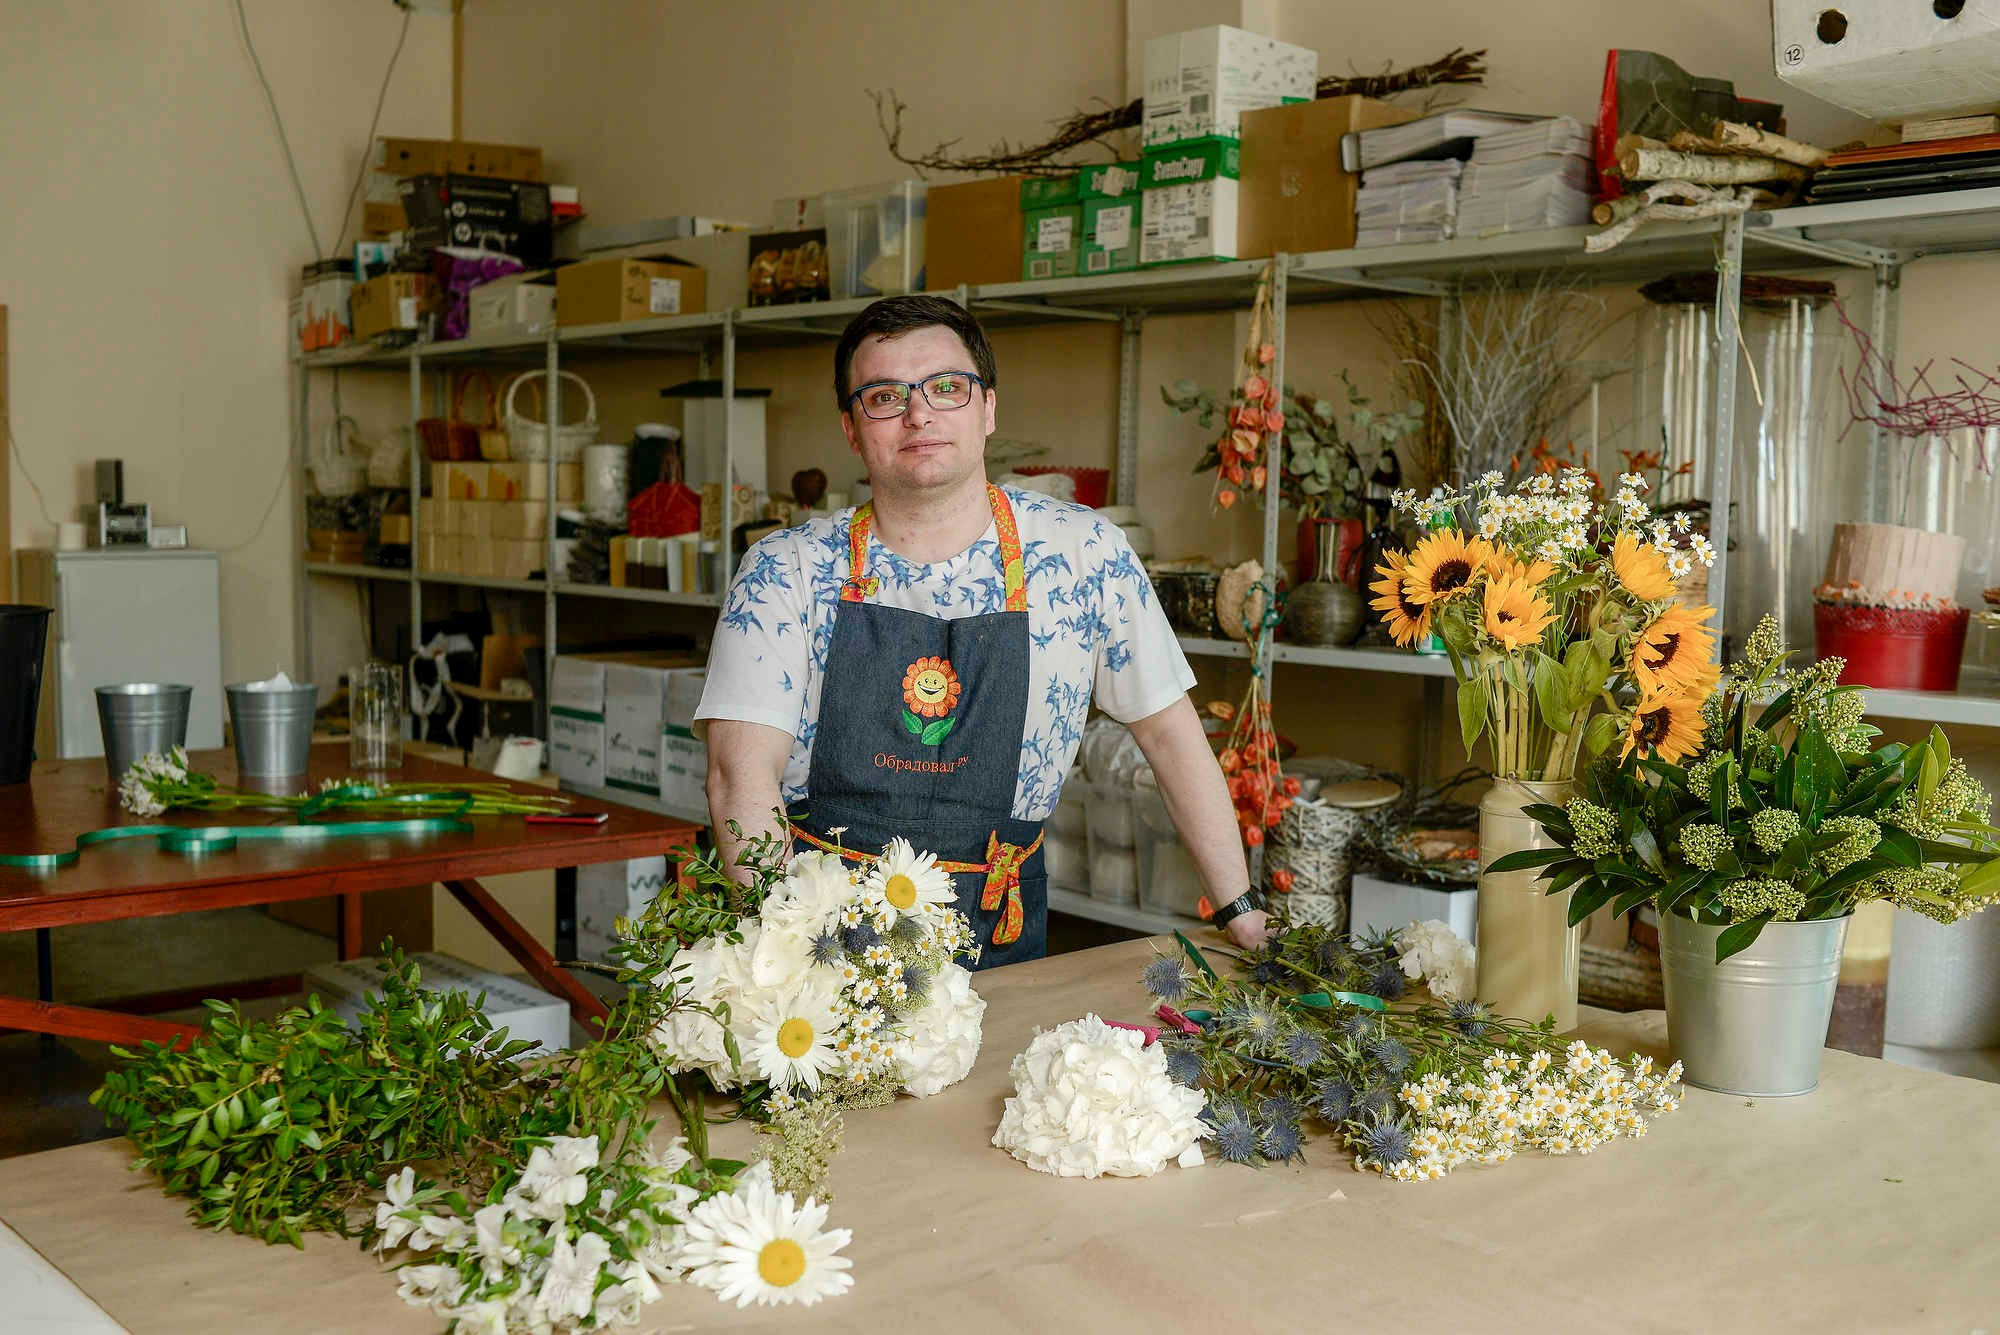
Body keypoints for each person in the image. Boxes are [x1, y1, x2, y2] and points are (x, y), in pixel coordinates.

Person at [695, 294, 1270, 967]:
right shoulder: (784, 569)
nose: (919, 413)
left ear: (988, 408)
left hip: (1000, 929)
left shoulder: (1085, 554)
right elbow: (739, 775)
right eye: (884, 395)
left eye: (947, 387)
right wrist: (785, 961)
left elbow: (1171, 736)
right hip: (823, 934)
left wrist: (1238, 907)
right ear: (852, 429)